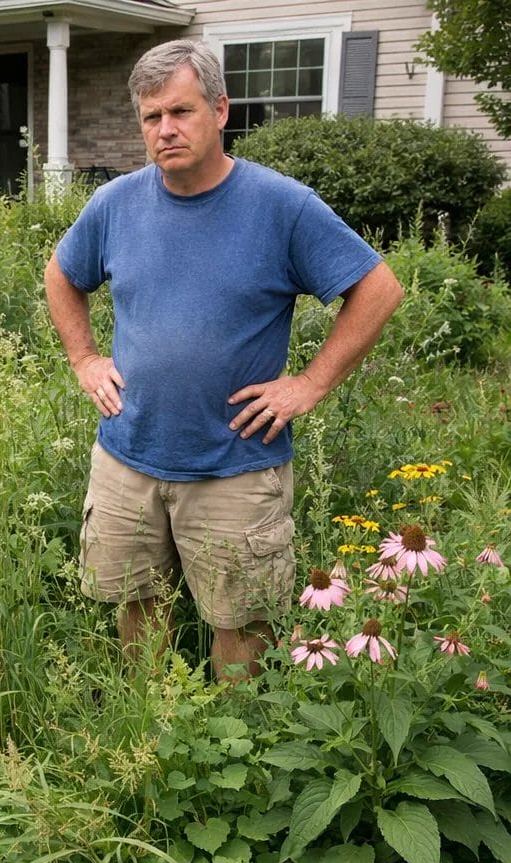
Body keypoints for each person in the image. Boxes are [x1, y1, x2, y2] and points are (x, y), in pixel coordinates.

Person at [44, 38, 404, 679]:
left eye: (180, 112)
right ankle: (151, 738)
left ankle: (231, 758)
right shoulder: (115, 205)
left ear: (220, 110)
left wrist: (310, 384)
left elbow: (377, 289)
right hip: (128, 456)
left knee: (244, 632)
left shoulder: (280, 207)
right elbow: (61, 275)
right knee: (136, 609)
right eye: (151, 118)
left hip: (235, 465)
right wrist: (84, 360)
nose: (166, 130)